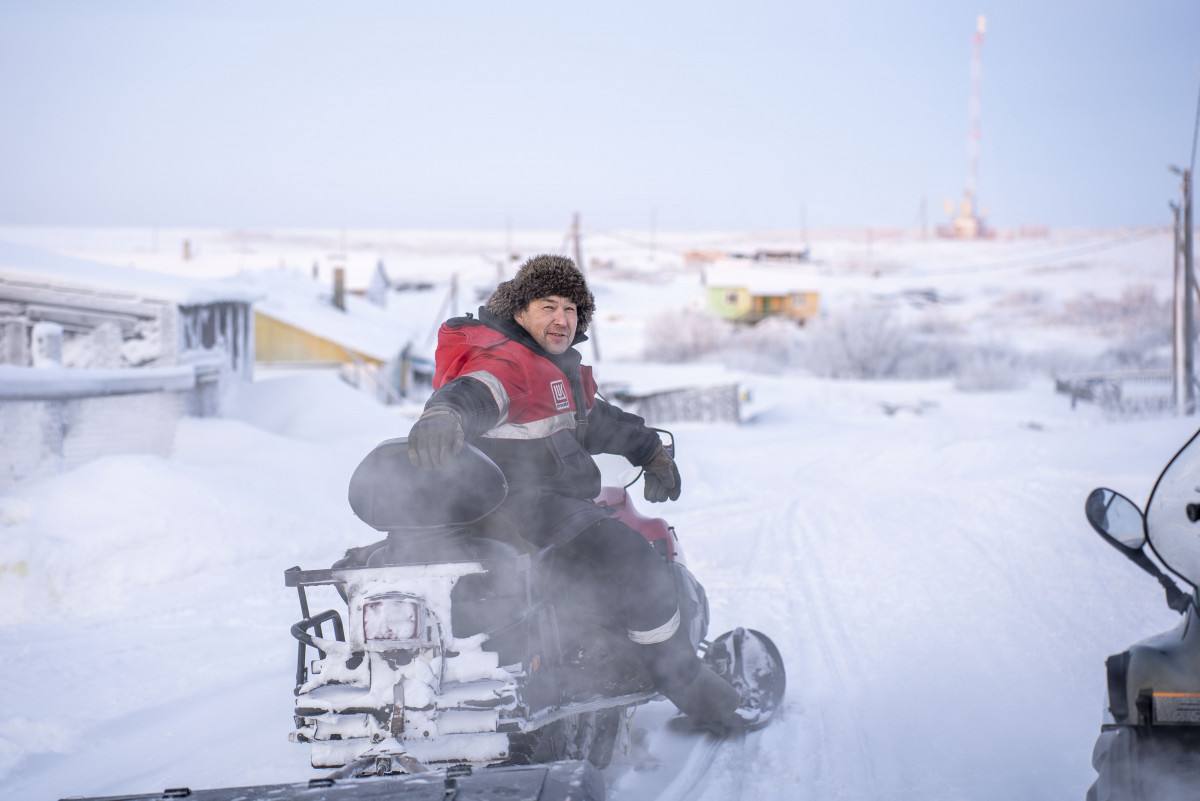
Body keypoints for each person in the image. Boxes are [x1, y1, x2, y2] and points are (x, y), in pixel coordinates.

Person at [406, 254, 757, 731]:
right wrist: (445, 414)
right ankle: (681, 679)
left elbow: (596, 420)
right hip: (522, 510)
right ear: (519, 310)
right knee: (636, 563)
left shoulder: (550, 371)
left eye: (571, 309)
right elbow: (475, 390)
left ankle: (598, 651)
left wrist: (651, 450)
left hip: (525, 507)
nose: (561, 319)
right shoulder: (507, 361)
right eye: (548, 305)